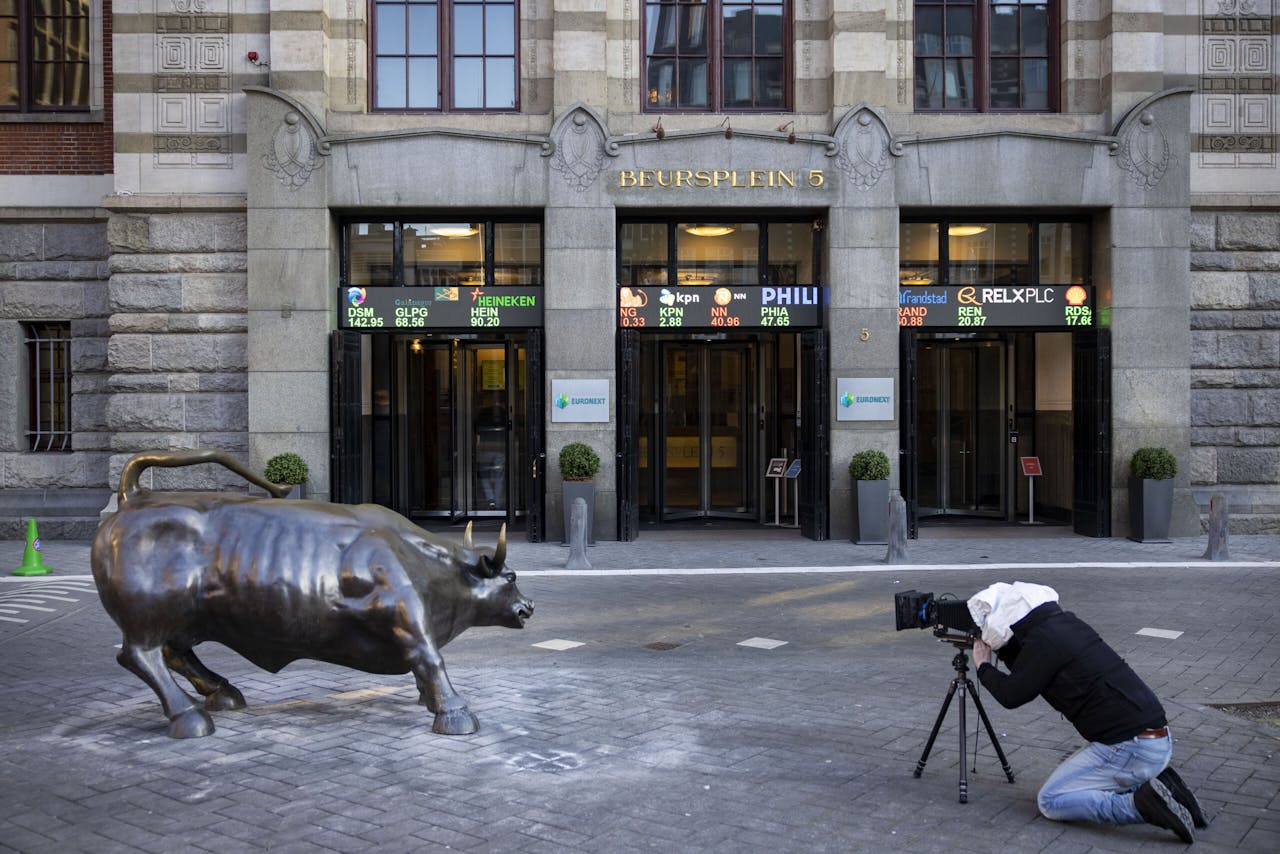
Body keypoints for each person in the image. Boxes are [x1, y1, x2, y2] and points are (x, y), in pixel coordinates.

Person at [967, 582, 1207, 844]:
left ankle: (1140, 804)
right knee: (1081, 782)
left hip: (1129, 749)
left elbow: (1011, 695)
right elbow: (1029, 670)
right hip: (1156, 740)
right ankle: (1168, 788)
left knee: (1051, 800)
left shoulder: (1043, 643)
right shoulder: (1066, 626)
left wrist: (983, 666)